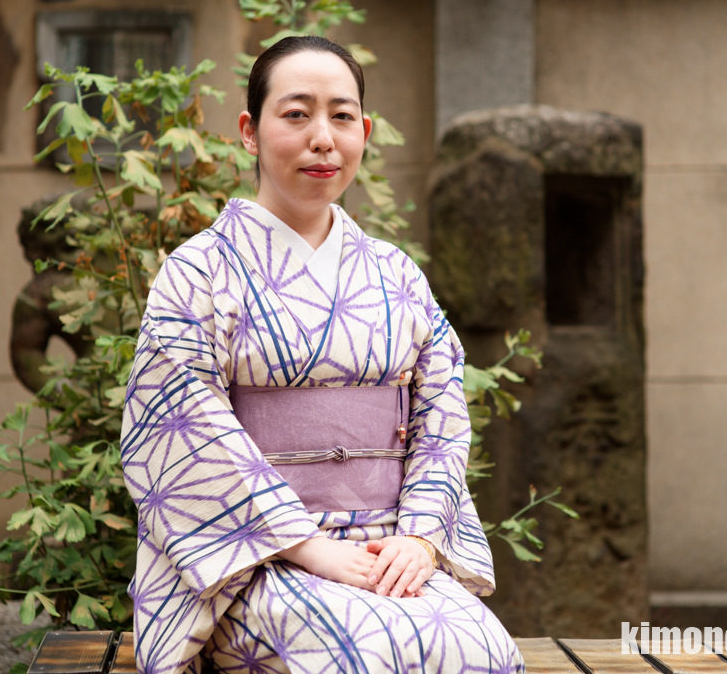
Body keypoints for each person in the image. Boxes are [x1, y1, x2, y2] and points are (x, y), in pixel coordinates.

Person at [121, 35, 523, 674]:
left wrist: (420, 539)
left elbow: (442, 422)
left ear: (364, 131)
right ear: (250, 132)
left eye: (341, 116)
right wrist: (307, 547)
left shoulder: (396, 273)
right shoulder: (199, 272)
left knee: (485, 651)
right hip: (251, 563)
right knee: (357, 653)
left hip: (388, 553)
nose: (322, 138)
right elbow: (180, 432)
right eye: (296, 114)